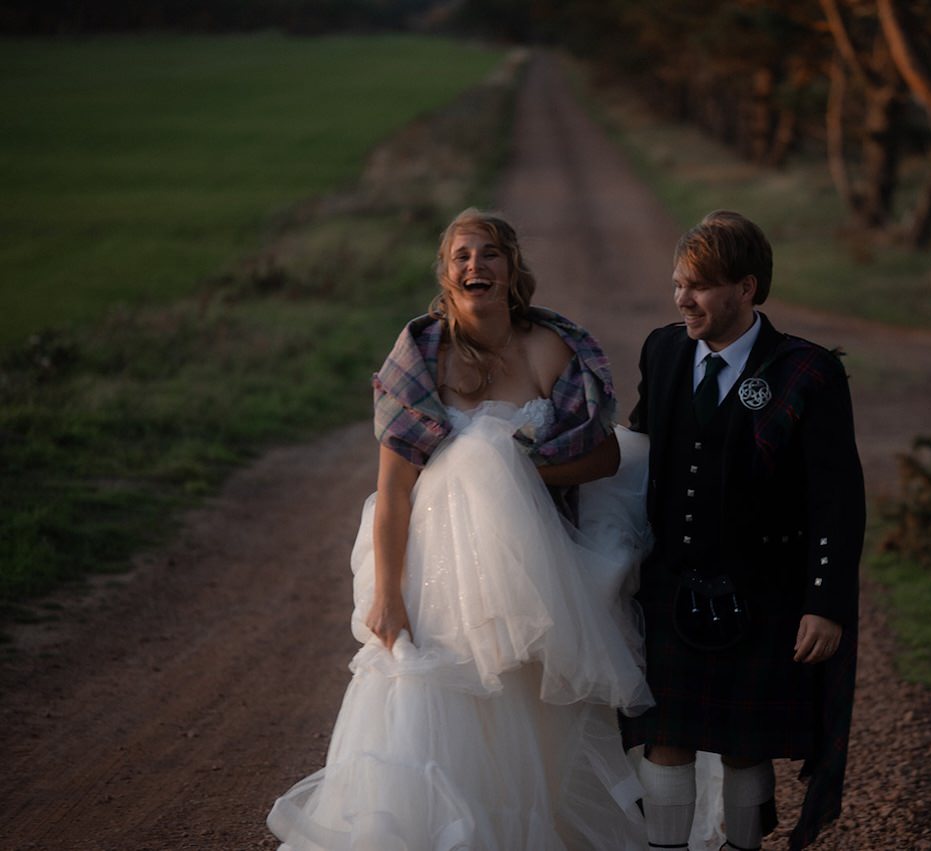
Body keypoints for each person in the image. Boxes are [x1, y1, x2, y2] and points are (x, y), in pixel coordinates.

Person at [268, 208, 655, 850]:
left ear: (511, 269)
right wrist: (388, 595)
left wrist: (521, 473)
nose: (477, 265)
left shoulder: (549, 349)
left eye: (490, 254)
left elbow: (605, 456)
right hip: (438, 570)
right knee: (436, 709)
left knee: (527, 721)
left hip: (528, 574)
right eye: (462, 257)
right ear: (447, 275)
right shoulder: (423, 358)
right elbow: (393, 493)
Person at [620, 211, 865, 851]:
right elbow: (637, 453)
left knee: (743, 748)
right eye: (678, 284)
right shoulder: (664, 349)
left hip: (765, 590)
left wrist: (824, 603)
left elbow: (837, 500)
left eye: (698, 286)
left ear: (746, 289)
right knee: (664, 736)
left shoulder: (806, 373)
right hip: (671, 582)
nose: (682, 299)